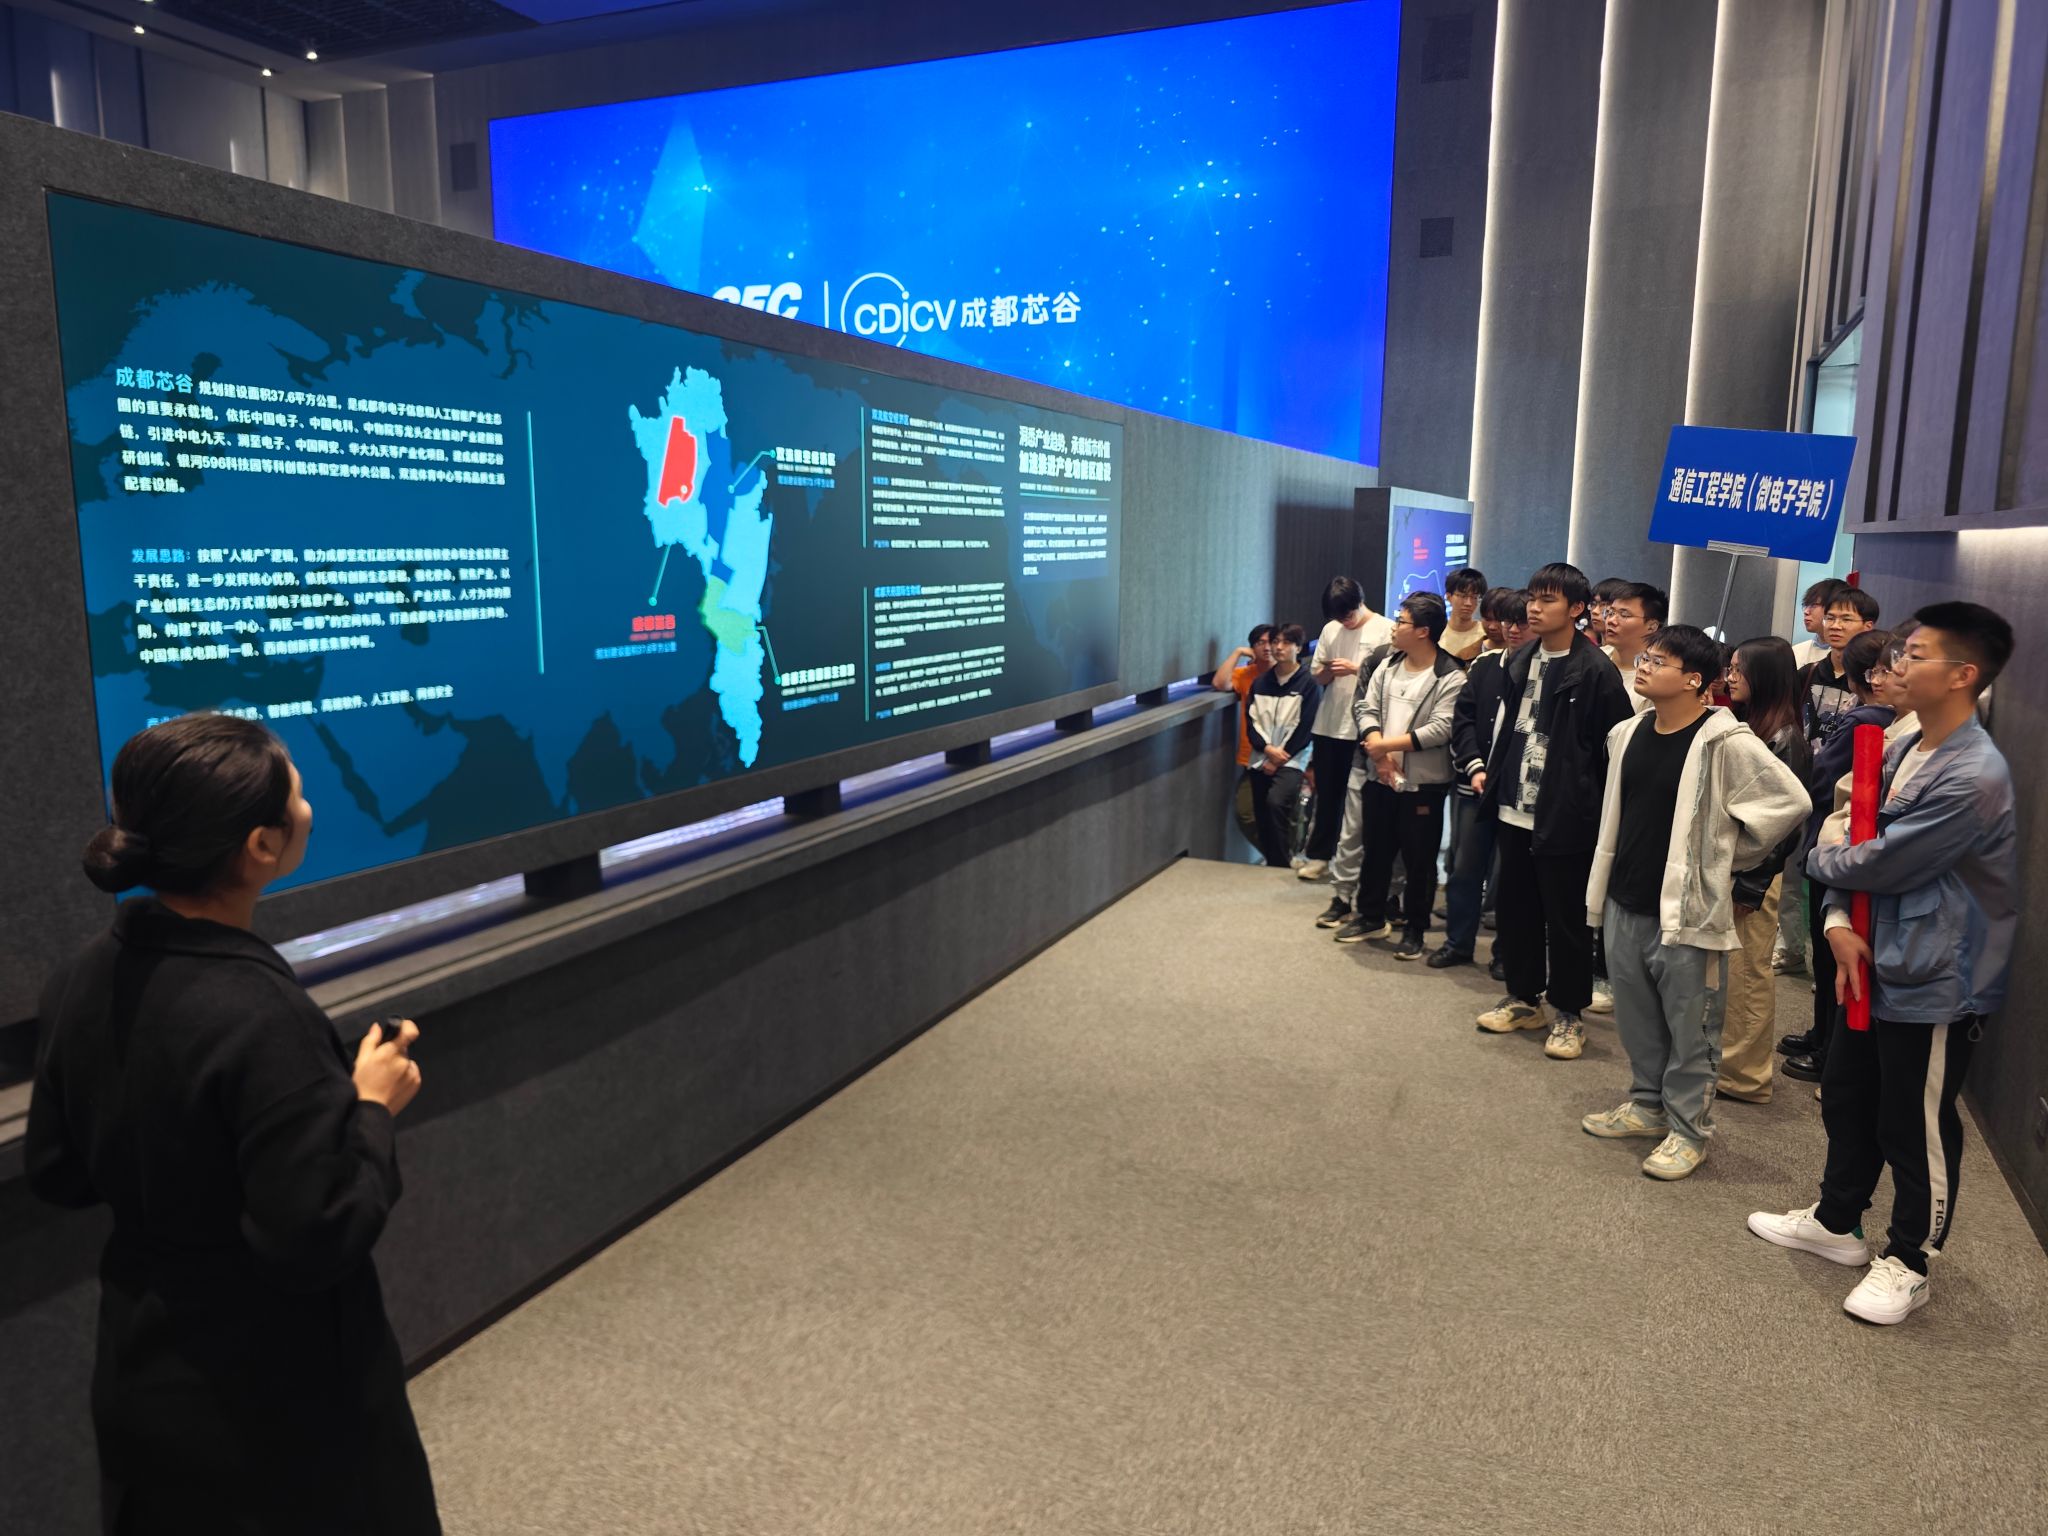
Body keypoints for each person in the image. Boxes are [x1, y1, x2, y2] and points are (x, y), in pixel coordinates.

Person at [24, 714, 440, 1534]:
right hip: (279, 1408)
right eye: (300, 796)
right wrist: (369, 1108)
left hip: (143, 1374)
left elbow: (57, 1170)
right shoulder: (261, 1015)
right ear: (261, 845)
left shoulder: (80, 975)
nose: (309, 809)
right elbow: (317, 1233)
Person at [1748, 603, 2016, 1325]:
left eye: (1916, 655)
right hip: (1867, 950)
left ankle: (1910, 1259)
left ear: (1962, 675)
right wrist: (1836, 919)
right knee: (1848, 1093)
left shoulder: (1974, 774)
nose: (1896, 665)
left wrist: (1826, 863)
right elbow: (1850, 827)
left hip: (1934, 974)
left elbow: (1877, 858)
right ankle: (1838, 1220)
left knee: (1913, 1121)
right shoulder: (1907, 745)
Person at [1580, 625, 1810, 1178]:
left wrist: (1725, 859)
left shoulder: (1726, 741)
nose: (1643, 666)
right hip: (1626, 897)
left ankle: (1689, 1131)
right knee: (1637, 1017)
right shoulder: (1627, 732)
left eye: (1658, 661)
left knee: (1693, 1026)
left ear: (1695, 681)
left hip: (1687, 908)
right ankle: (1647, 1105)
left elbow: (1789, 803)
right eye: (1646, 657)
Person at [1475, 562, 1634, 1059]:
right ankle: (1524, 999)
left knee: (1566, 920)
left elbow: (1612, 749)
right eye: (1533, 598)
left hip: (1566, 815)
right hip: (1514, 806)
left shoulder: (1596, 671)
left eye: (1547, 600)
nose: (1534, 608)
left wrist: (1592, 809)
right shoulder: (1520, 658)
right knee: (1516, 911)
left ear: (1577, 608)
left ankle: (1569, 1013)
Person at [1781, 629, 1895, 1084]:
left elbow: (1825, 779)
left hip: (1835, 847)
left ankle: (1827, 1048)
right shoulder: (1893, 721)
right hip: (1850, 851)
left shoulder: (1864, 719)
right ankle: (1821, 1037)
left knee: (1831, 956)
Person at [1333, 592, 1467, 956]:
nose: (1395, 627)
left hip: (1423, 784)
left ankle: (1415, 929)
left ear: (1423, 631)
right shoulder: (1389, 664)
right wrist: (1378, 753)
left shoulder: (1450, 675)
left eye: (1402, 621)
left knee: (1419, 860)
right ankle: (1370, 915)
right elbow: (1365, 706)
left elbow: (1442, 728)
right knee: (1376, 850)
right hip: (1380, 777)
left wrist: (1384, 746)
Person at [1715, 637, 1814, 1104]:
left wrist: (1751, 887)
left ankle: (1746, 1076)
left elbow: (1783, 826)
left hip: (1757, 876)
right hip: (1743, 871)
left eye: (1740, 669)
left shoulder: (1786, 738)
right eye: (1730, 668)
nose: (1731, 677)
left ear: (1765, 676)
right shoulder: (1754, 726)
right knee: (1734, 973)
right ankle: (1732, 1064)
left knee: (1748, 975)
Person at [1434, 591, 1529, 969]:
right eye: (1508, 621)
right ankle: (1458, 943)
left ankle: (1506, 953)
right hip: (1474, 785)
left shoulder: (1543, 671)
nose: (1512, 629)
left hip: (1517, 793)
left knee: (1510, 878)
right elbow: (1463, 720)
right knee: (1464, 870)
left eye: (1521, 622)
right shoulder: (1485, 664)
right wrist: (1475, 767)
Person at [1301, 578, 1394, 880]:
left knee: (1362, 800)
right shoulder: (1331, 629)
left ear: (1360, 602)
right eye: (1339, 617)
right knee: (1327, 795)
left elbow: (1391, 677)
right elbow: (1318, 677)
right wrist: (1329, 671)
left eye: (1348, 614)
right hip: (1329, 723)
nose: (1345, 621)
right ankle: (1319, 856)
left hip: (1365, 728)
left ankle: (1360, 862)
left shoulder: (1385, 628)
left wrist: (1355, 669)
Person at [1245, 624, 1320, 869]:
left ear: (1298, 647)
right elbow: (1251, 722)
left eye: (1286, 642)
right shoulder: (1260, 682)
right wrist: (1267, 750)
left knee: (1276, 802)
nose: (1278, 647)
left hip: (1293, 758)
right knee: (1261, 812)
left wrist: (1279, 758)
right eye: (1275, 641)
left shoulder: (1308, 683)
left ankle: (1281, 863)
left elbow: (1306, 726)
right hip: (1261, 756)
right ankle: (1274, 861)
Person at [1214, 624, 1276, 854]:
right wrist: (1238, 652)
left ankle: (1282, 858)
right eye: (1260, 643)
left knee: (1281, 812)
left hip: (1285, 757)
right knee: (1246, 813)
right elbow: (1220, 683)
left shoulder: (1288, 674)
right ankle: (1279, 857)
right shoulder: (1246, 675)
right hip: (1253, 758)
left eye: (1271, 642)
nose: (1267, 647)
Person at [1800, 584, 1880, 753]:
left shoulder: (1872, 681)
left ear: (1868, 626)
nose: (1835, 626)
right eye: (1830, 618)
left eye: (1846, 619)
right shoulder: (1808, 673)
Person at [1603, 582, 1666, 711]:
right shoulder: (1592, 659)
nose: (1611, 621)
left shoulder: (1657, 678)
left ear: (1652, 626)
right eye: (1610, 612)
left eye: (1624, 615)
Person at [1792, 577, 1848, 669]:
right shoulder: (1797, 651)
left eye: (1813, 605)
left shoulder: (1852, 656)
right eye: (1806, 605)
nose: (1806, 611)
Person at [1441, 566, 1490, 663]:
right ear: (1448, 596)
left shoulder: (1486, 633)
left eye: (1474, 597)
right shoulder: (1437, 633)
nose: (1468, 603)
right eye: (1463, 596)